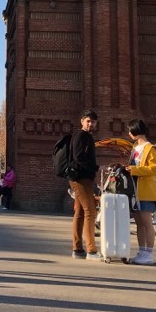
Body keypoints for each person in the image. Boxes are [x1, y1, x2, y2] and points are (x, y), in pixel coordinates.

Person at [125, 119, 156, 266]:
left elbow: (153, 169)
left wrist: (133, 170)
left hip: (146, 190)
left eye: (129, 130)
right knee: (139, 223)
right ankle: (142, 251)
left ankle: (149, 253)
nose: (128, 133)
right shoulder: (134, 148)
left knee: (147, 223)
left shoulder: (151, 148)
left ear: (135, 131)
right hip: (134, 190)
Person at [69, 109, 101, 260]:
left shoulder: (85, 136)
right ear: (81, 121)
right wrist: (94, 167)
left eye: (93, 122)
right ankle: (91, 250)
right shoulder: (81, 135)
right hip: (81, 178)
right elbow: (78, 157)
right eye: (88, 121)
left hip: (82, 178)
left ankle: (78, 249)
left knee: (81, 213)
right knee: (90, 211)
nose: (90, 124)